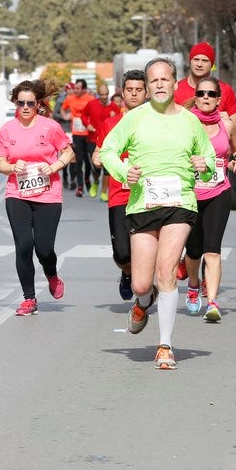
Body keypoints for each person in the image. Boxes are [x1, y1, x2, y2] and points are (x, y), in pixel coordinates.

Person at [99, 57, 215, 370]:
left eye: (165, 79)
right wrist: (124, 171)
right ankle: (142, 302)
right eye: (154, 81)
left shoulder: (190, 121)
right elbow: (107, 151)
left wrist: (204, 167)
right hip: (142, 204)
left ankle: (165, 346)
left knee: (165, 272)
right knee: (140, 283)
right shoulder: (134, 118)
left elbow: (209, 159)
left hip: (180, 203)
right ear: (148, 87)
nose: (160, 85)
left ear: (175, 83)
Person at [0, 79, 74, 316]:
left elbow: (68, 151)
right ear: (15, 103)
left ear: (38, 104)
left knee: (44, 249)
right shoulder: (8, 129)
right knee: (24, 245)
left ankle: (51, 274)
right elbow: (0, 163)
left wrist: (54, 167)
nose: (26, 107)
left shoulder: (50, 127)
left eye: (30, 103)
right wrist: (11, 167)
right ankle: (29, 298)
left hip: (48, 195)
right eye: (21, 103)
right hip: (17, 194)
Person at [183, 76, 236, 322]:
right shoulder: (185, 123)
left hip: (219, 190)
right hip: (190, 192)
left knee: (213, 249)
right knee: (194, 249)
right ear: (195, 97)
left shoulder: (227, 125)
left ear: (219, 99)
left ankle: (213, 302)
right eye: (201, 93)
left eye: (210, 94)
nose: (205, 97)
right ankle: (194, 284)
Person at [91, 69, 147, 301]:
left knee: (147, 249)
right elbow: (98, 153)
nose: (134, 94)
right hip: (119, 195)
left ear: (146, 93)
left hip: (149, 195)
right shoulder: (111, 123)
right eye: (130, 90)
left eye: (139, 90)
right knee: (123, 254)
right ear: (122, 93)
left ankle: (145, 286)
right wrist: (97, 158)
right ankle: (126, 273)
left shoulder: (155, 122)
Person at [174, 42, 236, 134]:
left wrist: (227, 121)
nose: (199, 64)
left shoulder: (225, 90)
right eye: (196, 59)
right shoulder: (176, 89)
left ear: (212, 64)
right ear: (190, 61)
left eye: (205, 61)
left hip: (216, 147)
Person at [83, 82, 120, 199]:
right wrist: (87, 124)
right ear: (98, 94)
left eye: (106, 94)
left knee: (107, 168)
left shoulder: (114, 106)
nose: (104, 97)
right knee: (95, 166)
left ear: (109, 94)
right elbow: (83, 115)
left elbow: (120, 121)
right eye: (102, 94)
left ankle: (104, 192)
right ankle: (95, 182)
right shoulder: (91, 104)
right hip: (93, 139)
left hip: (108, 141)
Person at [60, 79, 95, 197]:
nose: (75, 90)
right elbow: (62, 108)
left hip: (89, 134)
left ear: (84, 89)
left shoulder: (90, 99)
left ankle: (87, 179)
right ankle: (80, 186)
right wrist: (65, 116)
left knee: (89, 160)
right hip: (77, 133)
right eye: (74, 88)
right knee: (78, 160)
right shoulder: (70, 99)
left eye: (78, 88)